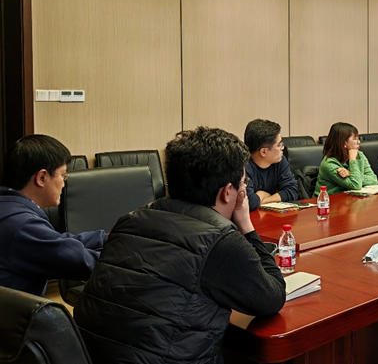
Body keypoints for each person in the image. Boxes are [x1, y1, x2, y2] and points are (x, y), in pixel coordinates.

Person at [75, 127, 286, 364]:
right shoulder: (220, 240)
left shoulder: (129, 220)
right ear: (228, 192)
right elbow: (272, 297)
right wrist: (246, 225)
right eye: (242, 182)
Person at [0, 135, 106, 296]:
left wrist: (109, 237)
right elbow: (83, 262)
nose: (64, 183)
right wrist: (130, 252)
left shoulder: (8, 208)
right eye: (63, 175)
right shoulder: (23, 225)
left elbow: (58, 242)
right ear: (42, 177)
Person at [244, 119, 299, 210]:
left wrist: (264, 199)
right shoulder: (243, 166)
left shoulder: (279, 160)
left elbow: (292, 191)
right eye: (279, 145)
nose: (282, 148)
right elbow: (249, 202)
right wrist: (262, 196)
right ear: (263, 152)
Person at [314, 122, 378, 195]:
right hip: (328, 200)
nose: (359, 142)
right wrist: (352, 160)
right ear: (344, 143)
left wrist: (350, 173)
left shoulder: (359, 155)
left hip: (351, 199)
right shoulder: (329, 164)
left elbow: (373, 180)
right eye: (355, 139)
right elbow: (355, 184)